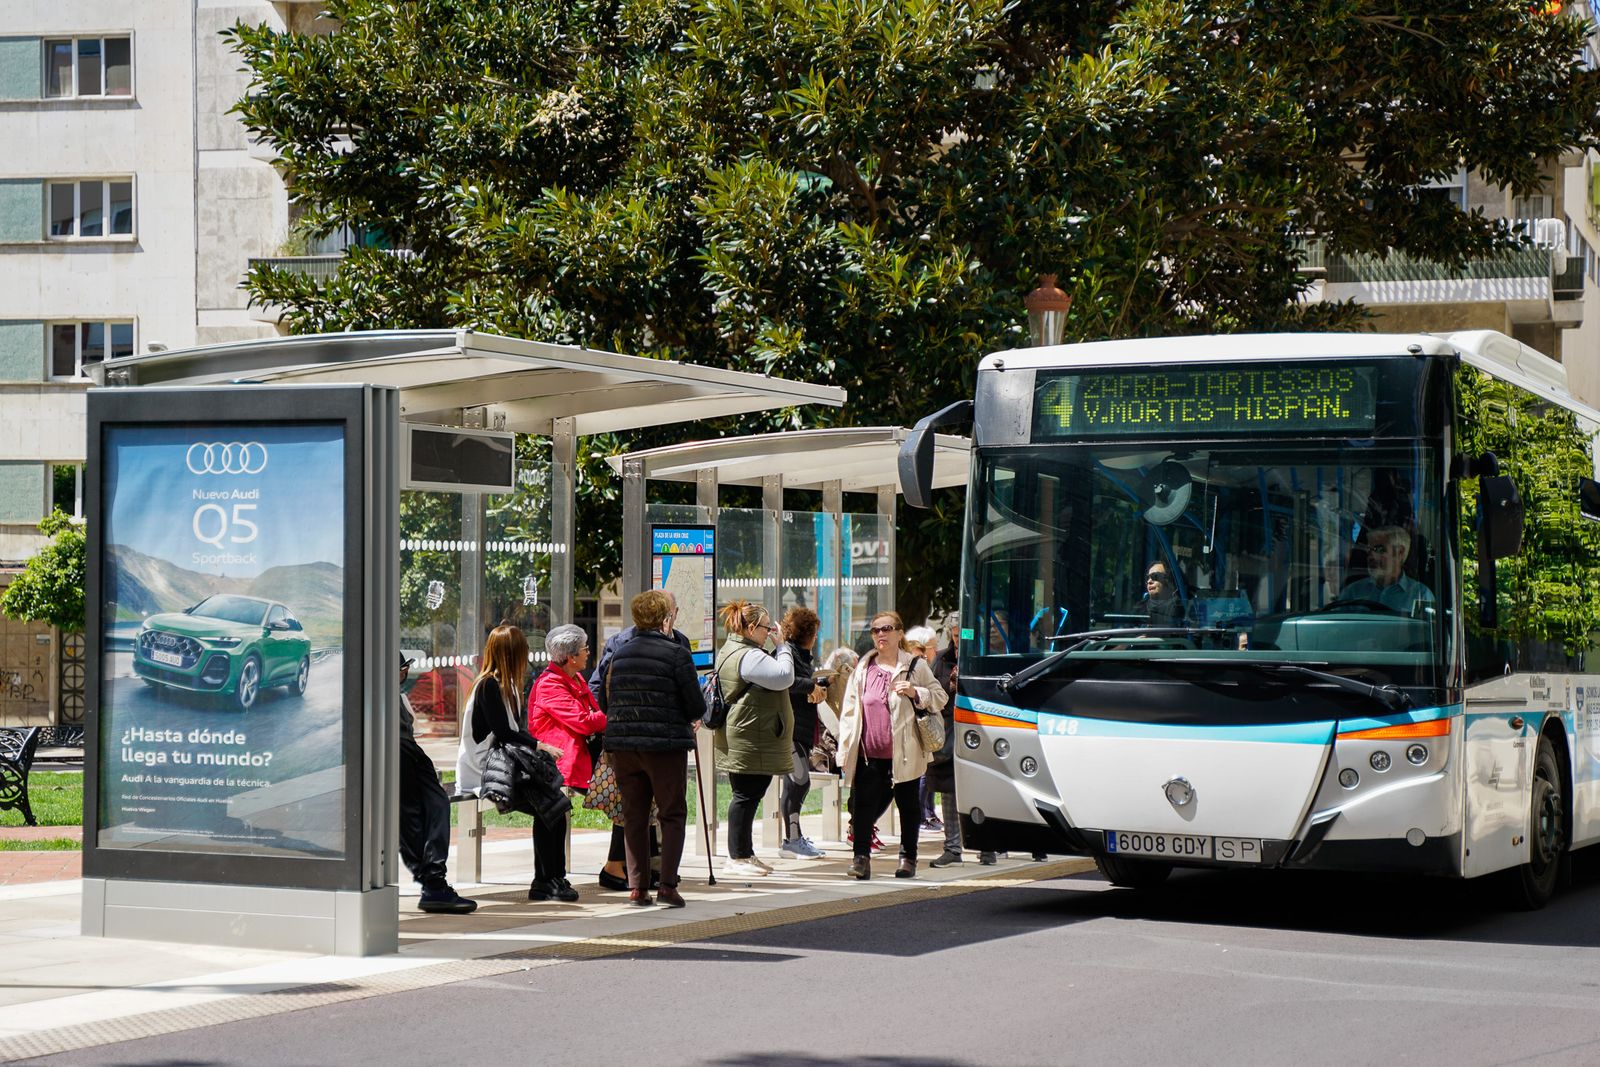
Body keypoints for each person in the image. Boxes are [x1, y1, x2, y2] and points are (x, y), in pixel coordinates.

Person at [456, 624, 576, 903]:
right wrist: (540, 746)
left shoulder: (504, 685)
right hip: (485, 770)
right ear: (513, 654)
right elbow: (506, 732)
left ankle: (551, 877)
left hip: (501, 765)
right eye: (523, 650)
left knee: (554, 805)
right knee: (549, 806)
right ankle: (546, 880)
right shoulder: (488, 685)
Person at [602, 590, 704, 907]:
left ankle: (638, 888)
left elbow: (607, 698)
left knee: (634, 816)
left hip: (624, 747)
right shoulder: (677, 654)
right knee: (672, 813)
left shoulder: (620, 653)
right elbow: (695, 705)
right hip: (664, 746)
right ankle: (668, 886)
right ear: (666, 618)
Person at [837, 611, 949, 880]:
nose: (880, 635)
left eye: (886, 629)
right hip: (868, 753)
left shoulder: (915, 666)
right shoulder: (863, 668)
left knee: (908, 806)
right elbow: (849, 712)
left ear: (900, 633)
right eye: (875, 630)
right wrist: (844, 750)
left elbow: (940, 698)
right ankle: (861, 859)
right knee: (862, 806)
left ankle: (907, 858)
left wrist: (915, 692)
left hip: (905, 752)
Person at [525, 625, 616, 886]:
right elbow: (584, 721)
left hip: (581, 758)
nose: (589, 653)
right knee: (553, 819)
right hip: (561, 763)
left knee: (630, 801)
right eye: (585, 649)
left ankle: (616, 866)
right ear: (570, 657)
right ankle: (550, 879)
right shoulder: (551, 684)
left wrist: (601, 719)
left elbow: (591, 715)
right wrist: (610, 718)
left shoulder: (575, 678)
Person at [712, 599, 795, 879]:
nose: (770, 632)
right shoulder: (748, 655)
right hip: (750, 735)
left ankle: (745, 853)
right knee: (745, 796)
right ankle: (736, 856)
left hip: (749, 733)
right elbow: (784, 676)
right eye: (766, 627)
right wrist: (783, 647)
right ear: (750, 628)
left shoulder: (739, 650)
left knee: (749, 794)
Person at [398, 654, 476, 913]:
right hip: (405, 755)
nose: (406, 672)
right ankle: (433, 883)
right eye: (404, 668)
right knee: (425, 809)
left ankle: (433, 882)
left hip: (405, 756)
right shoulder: (393, 698)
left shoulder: (396, 697)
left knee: (425, 810)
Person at [778, 607, 828, 859]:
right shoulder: (787, 653)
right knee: (799, 781)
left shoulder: (800, 655)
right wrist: (811, 685)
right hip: (791, 729)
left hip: (802, 729)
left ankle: (793, 839)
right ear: (809, 633)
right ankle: (792, 839)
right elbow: (786, 681)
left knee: (795, 783)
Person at [591, 589, 690, 692]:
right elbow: (597, 685)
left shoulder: (682, 642)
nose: (660, 621)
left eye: (666, 615)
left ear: (676, 612)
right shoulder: (620, 642)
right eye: (655, 614)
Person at [1341, 525, 1435, 613]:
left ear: (1400, 552)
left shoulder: (1420, 594)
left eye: (1378, 549)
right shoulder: (1352, 592)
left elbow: (1427, 629)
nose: (1371, 556)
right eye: (1369, 550)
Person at [906, 626, 943, 832]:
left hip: (926, 723)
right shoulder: (915, 666)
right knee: (922, 773)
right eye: (931, 647)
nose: (934, 652)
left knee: (928, 770)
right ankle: (921, 815)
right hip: (914, 727)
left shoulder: (927, 665)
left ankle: (928, 812)